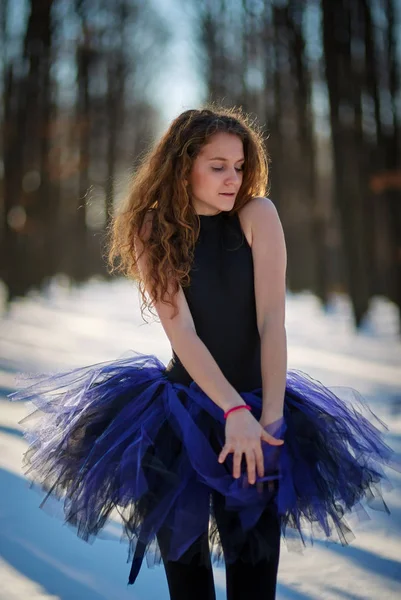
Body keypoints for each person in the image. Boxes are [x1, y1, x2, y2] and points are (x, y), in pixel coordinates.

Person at [9, 107, 397, 600]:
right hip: (178, 420)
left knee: (253, 581)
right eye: (218, 166)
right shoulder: (155, 229)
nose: (233, 178)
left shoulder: (258, 216)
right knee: (189, 588)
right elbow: (183, 332)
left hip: (261, 410)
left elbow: (271, 322)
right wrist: (230, 407)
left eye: (238, 166)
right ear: (183, 165)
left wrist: (269, 418)